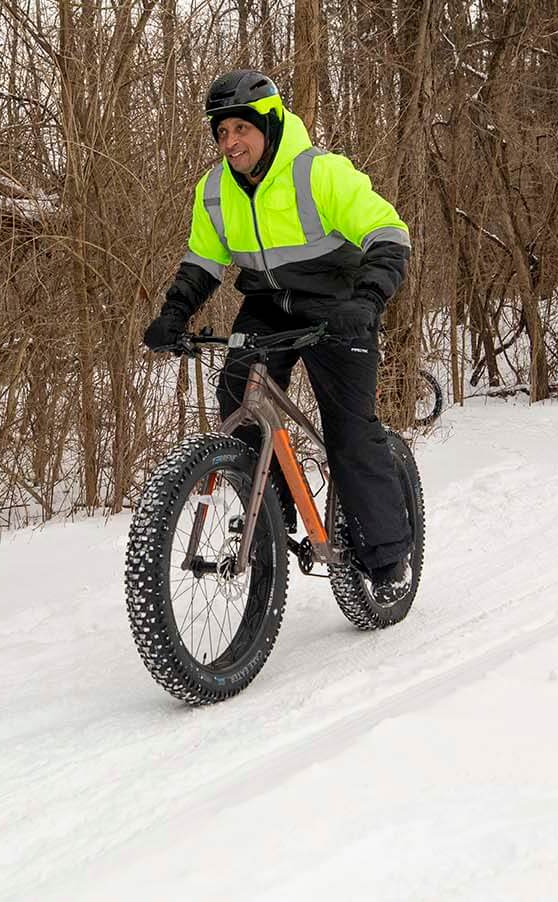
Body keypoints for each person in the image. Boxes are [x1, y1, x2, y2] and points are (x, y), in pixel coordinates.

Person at [142, 69, 412, 601]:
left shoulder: (318, 173)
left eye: (240, 129)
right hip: (267, 307)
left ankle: (386, 557)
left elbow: (388, 232)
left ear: (268, 124)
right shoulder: (215, 190)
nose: (230, 143)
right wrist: (174, 313)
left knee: (349, 432)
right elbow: (202, 261)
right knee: (237, 402)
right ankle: (272, 514)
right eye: (221, 133)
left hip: (338, 305)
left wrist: (368, 300)